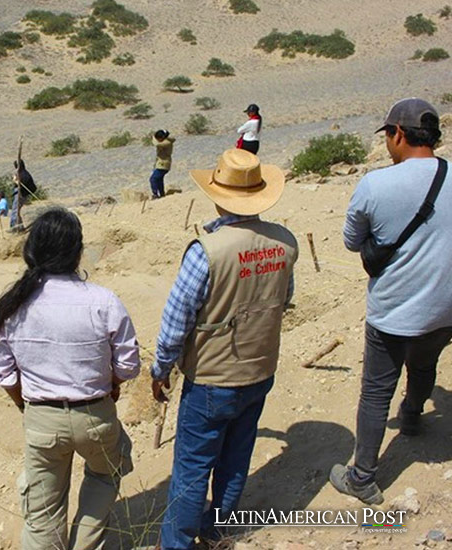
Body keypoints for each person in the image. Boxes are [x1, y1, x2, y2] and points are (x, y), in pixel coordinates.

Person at [331, 99, 452, 505]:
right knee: (426, 362)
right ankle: (413, 416)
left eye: (388, 137)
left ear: (398, 133)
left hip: (395, 307)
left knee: (376, 391)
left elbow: (350, 242)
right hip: (449, 302)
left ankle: (362, 475)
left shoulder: (376, 185)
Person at [152, 148, 296, 549]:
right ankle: (218, 532)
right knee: (236, 455)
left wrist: (161, 368)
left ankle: (177, 544)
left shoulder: (206, 251)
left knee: (193, 467)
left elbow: (176, 320)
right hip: (260, 367)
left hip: (213, 377)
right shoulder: (284, 242)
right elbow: (283, 298)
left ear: (218, 195)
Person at [0, 208, 140, 550]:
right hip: (96, 414)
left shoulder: (12, 307)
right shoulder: (103, 300)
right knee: (102, 479)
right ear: (77, 251)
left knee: (43, 513)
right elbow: (128, 364)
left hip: (41, 417)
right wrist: (112, 384)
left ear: (31, 251)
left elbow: (3, 372)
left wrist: (25, 403)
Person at [12, 158, 36, 232]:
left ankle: (14, 227)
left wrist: (15, 180)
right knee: (16, 211)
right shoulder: (22, 173)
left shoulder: (24, 174)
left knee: (15, 211)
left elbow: (20, 184)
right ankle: (20, 227)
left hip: (22, 194)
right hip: (21, 194)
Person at [151, 130, 175, 199]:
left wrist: (153, 137)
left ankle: (155, 194)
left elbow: (157, 144)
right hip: (161, 164)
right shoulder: (166, 141)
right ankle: (162, 194)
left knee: (153, 179)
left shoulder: (167, 143)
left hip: (163, 164)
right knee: (159, 180)